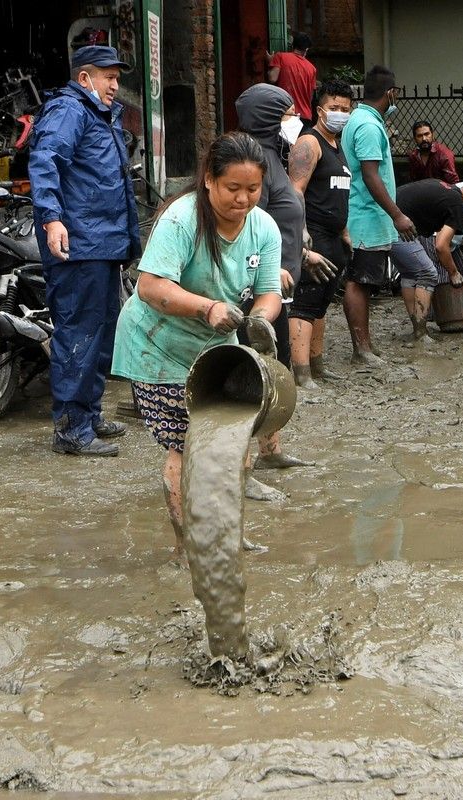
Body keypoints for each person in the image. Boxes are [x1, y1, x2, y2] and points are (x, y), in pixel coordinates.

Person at [111, 132, 282, 561]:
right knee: (187, 446)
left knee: (234, 439)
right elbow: (151, 287)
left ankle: (226, 533)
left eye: (253, 189)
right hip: (158, 344)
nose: (243, 199)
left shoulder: (264, 227)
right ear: (209, 179)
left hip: (218, 346)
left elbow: (269, 293)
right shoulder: (181, 219)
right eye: (233, 188)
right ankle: (187, 545)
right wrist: (207, 308)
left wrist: (261, 319)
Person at [28, 44, 141, 457]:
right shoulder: (69, 110)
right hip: (79, 245)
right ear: (84, 78)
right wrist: (52, 219)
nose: (114, 86)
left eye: (116, 78)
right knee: (79, 334)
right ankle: (71, 430)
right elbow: (45, 161)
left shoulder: (98, 115)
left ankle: (89, 416)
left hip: (103, 243)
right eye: (108, 77)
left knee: (100, 334)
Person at [235, 83, 316, 477]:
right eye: (287, 113)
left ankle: (270, 449)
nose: (295, 120)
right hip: (258, 291)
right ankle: (242, 466)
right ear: (267, 116)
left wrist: (302, 250)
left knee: (275, 369)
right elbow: (247, 222)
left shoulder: (273, 155)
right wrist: (268, 268)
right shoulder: (254, 163)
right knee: (254, 374)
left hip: (278, 290)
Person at [341, 64, 416, 366]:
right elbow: (371, 176)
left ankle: (365, 345)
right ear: (391, 93)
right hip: (366, 217)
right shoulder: (369, 127)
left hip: (364, 216)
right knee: (359, 282)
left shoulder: (359, 119)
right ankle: (361, 350)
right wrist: (397, 215)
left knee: (363, 281)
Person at [288, 80, 354, 388]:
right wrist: (302, 236)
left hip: (334, 236)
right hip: (313, 234)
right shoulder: (309, 143)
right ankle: (301, 373)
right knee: (305, 303)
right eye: (334, 107)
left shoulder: (337, 147)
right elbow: (295, 192)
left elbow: (338, 195)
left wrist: (345, 232)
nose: (340, 113)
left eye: (345, 109)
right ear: (319, 110)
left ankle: (317, 365)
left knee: (322, 304)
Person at [392, 178, 463, 339]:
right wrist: (453, 272)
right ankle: (421, 333)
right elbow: (441, 246)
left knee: (410, 275)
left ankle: (417, 329)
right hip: (395, 224)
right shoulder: (457, 204)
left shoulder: (447, 190)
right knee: (428, 273)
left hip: (385, 217)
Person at [268, 32, 317, 127]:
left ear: (292, 45)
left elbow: (272, 78)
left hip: (286, 114)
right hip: (305, 116)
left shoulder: (280, 57)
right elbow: (311, 97)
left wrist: (270, 62)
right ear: (306, 49)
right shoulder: (312, 68)